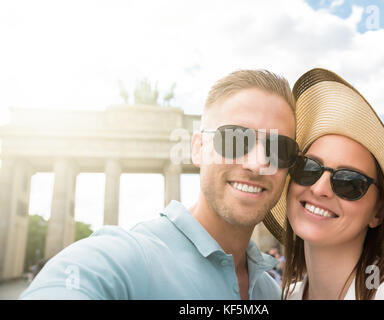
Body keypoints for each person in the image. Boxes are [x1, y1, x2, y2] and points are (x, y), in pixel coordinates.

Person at [20, 69, 299, 300]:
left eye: (278, 149)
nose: (256, 163)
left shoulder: (268, 291)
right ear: (198, 148)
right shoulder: (128, 258)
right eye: (235, 138)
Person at [263, 68, 384, 300]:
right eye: (308, 168)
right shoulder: (282, 297)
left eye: (349, 182)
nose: (320, 189)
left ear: (378, 213)